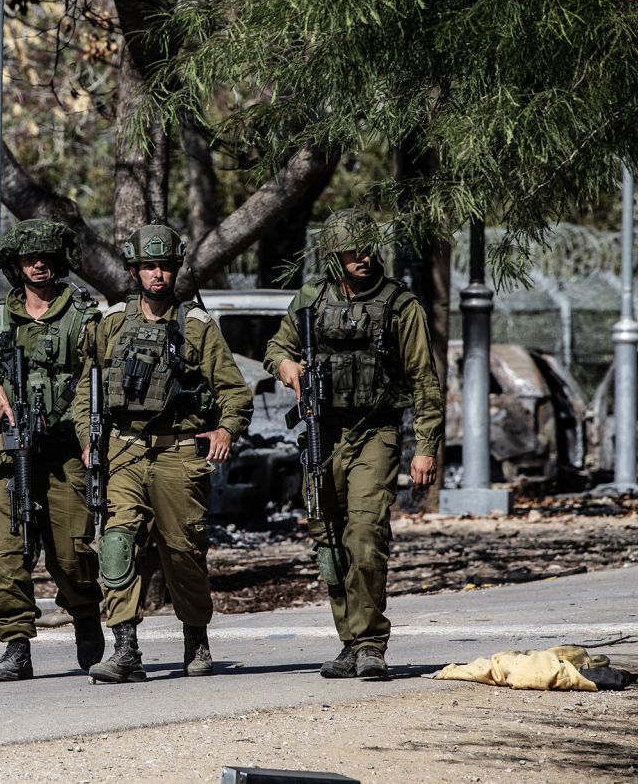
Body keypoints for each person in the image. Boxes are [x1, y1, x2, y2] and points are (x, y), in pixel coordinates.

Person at [263, 208, 442, 679]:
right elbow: (275, 349)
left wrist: (426, 446)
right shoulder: (310, 300)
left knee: (365, 536)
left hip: (375, 432)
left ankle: (371, 643)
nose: (363, 257)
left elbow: (424, 380)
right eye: (351, 251)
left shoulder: (401, 305)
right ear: (333, 256)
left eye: (367, 249)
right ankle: (349, 640)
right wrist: (286, 367)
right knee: (329, 541)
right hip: (324, 432)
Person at [73, 224, 253, 683]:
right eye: (149, 266)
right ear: (134, 270)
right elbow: (84, 391)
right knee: (116, 541)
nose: (158, 274)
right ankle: (126, 650)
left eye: (166, 267)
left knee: (183, 551)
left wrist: (226, 429)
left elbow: (234, 392)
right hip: (124, 449)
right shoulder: (110, 323)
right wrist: (88, 436)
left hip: (178, 452)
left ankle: (196, 636)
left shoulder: (196, 326)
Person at [0, 219, 105, 681]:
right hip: (12, 455)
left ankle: (85, 615)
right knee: (4, 548)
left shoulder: (84, 316)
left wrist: (89, 438)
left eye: (45, 257)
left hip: (65, 453)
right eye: (28, 258)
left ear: (59, 261)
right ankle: (17, 645)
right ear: (15, 265)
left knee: (71, 555)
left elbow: (101, 379)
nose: (38, 264)